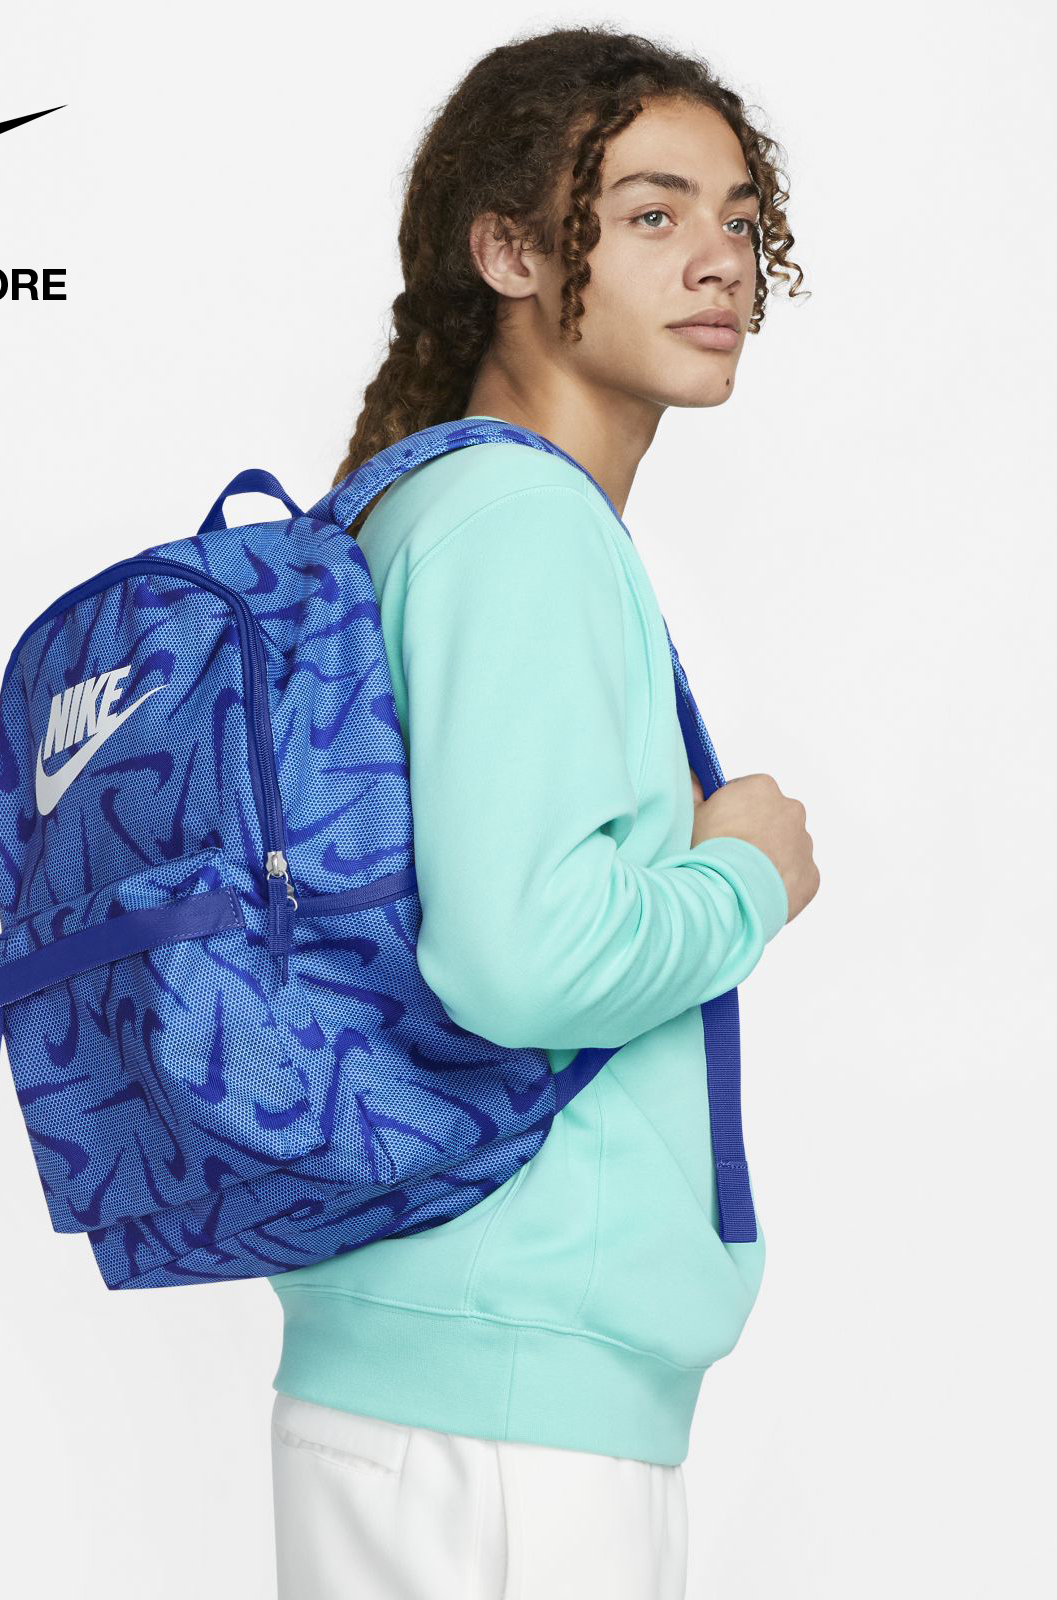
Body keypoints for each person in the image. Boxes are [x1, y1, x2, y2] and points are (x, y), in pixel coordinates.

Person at [266, 25, 819, 1598]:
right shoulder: (521, 519)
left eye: (738, 219)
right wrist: (747, 878)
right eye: (651, 214)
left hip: (423, 1373)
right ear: (508, 251)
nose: (718, 260)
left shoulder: (424, 502)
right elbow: (519, 958)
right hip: (515, 1420)